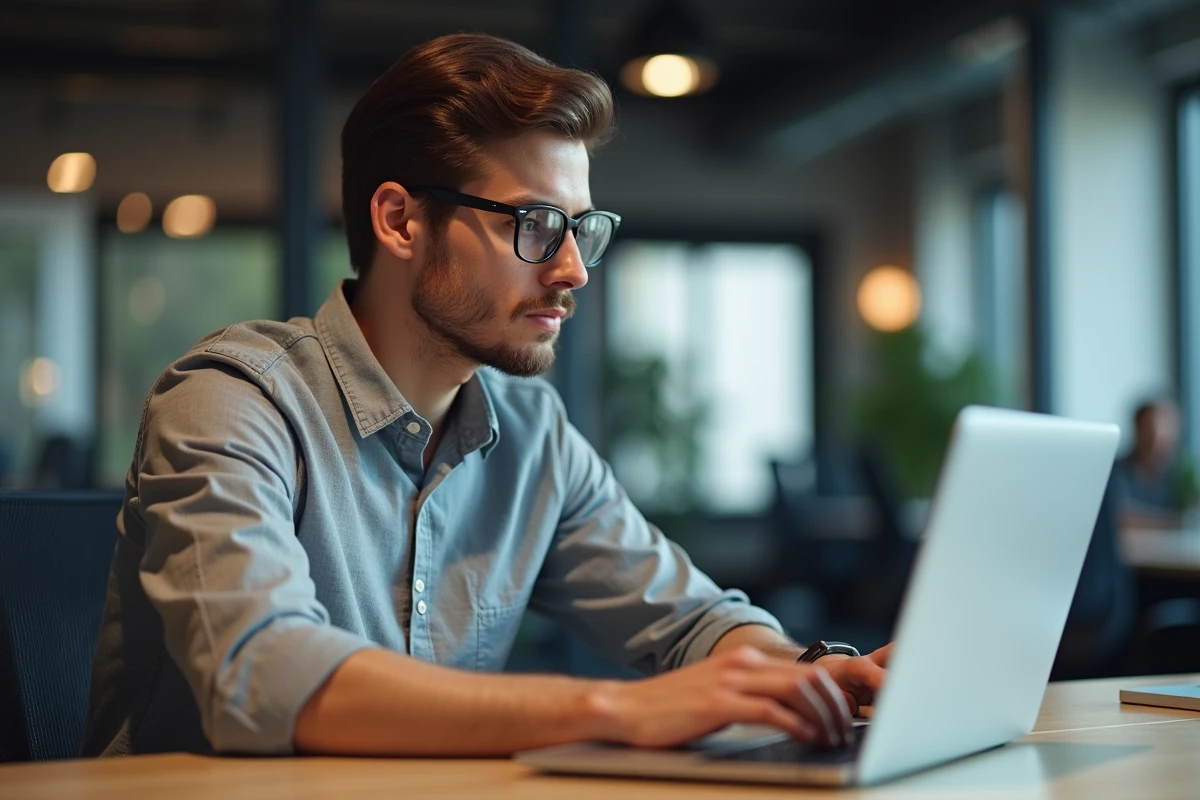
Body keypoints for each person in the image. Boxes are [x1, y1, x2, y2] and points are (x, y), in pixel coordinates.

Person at [82, 33, 890, 759]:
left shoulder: (532, 433)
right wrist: (616, 709)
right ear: (400, 221)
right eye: (537, 224)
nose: (572, 269)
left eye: (583, 230)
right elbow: (258, 675)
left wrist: (814, 674)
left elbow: (689, 622)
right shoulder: (234, 402)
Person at [1111, 398, 1189, 531]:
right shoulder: (1116, 472)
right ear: (1137, 428)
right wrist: (1173, 522)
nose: (1158, 436)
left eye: (1167, 428)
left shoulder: (1176, 476)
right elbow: (1118, 516)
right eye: (1150, 428)